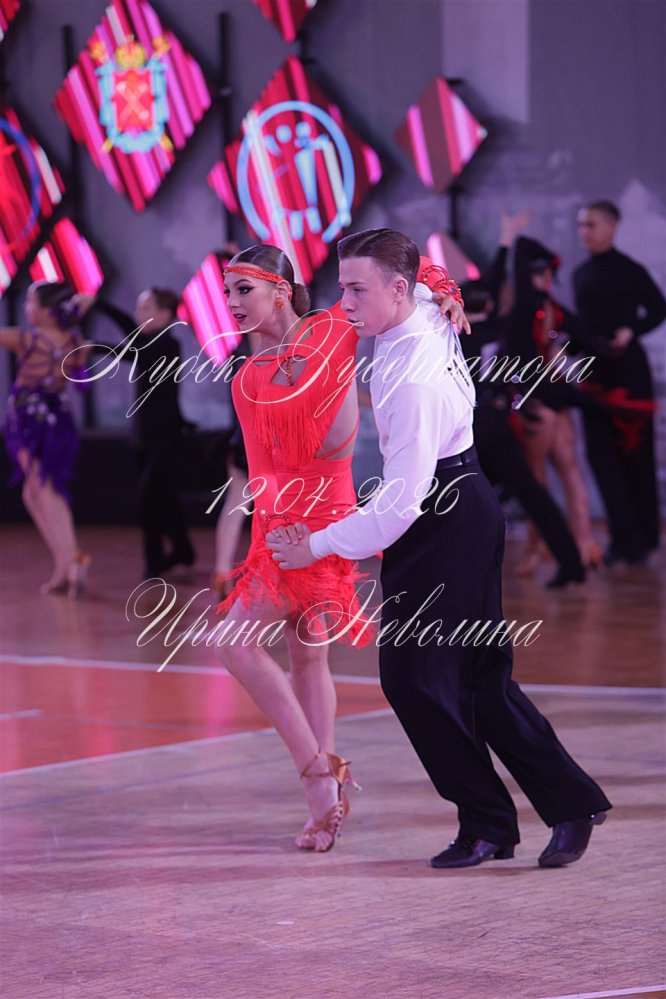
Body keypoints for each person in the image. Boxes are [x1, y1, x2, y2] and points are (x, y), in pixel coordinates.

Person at [268, 228, 611, 869]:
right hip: (458, 506)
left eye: (356, 290)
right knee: (475, 679)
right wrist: (442, 284)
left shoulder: (413, 380)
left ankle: (493, 820)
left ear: (397, 290)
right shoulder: (418, 301)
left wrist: (312, 545)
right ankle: (553, 807)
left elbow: (399, 507)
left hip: (442, 517)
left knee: (415, 679)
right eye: (342, 287)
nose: (344, 303)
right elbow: (420, 267)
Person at [217, 244, 467, 853]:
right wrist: (265, 542)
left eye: (243, 290)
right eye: (227, 293)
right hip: (282, 531)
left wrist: (445, 291)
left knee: (232, 643)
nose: (232, 304)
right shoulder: (246, 379)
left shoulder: (335, 328)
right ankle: (325, 790)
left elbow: (401, 269)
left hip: (329, 527)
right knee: (306, 659)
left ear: (281, 289)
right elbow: (261, 473)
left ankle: (318, 781)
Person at [574, 200, 665, 564]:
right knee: (601, 457)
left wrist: (631, 330)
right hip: (595, 372)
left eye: (591, 224)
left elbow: (659, 308)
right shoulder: (581, 273)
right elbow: (583, 325)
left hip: (628, 374)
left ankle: (645, 538)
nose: (584, 231)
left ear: (612, 226)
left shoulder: (629, 270)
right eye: (581, 225)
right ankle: (621, 538)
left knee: (636, 457)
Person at [507, 232, 602, 574]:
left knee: (536, 482)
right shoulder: (554, 309)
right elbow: (591, 342)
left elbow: (520, 247)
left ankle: (538, 548)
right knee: (571, 471)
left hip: (538, 401)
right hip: (559, 397)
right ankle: (585, 543)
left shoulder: (524, 307)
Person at [89, 289, 196, 579]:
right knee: (164, 497)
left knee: (149, 501)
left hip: (165, 439)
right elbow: (129, 350)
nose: (138, 315)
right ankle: (183, 550)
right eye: (137, 308)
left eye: (145, 308)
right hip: (144, 437)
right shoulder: (148, 346)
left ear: (165, 314)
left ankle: (155, 560)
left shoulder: (169, 345)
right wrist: (91, 345)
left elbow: (133, 347)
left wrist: (99, 305)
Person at [1, 281, 94, 596]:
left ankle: (73, 561)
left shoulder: (26, 338)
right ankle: (63, 563)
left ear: (45, 310)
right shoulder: (75, 343)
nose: (26, 308)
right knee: (34, 492)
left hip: (29, 419)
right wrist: (77, 314)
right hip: (59, 418)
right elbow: (82, 384)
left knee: (45, 490)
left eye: (30, 302)